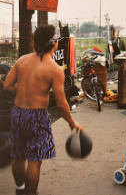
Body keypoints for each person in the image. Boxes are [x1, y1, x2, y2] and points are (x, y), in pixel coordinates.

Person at [3, 25, 83, 195]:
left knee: (18, 155)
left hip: (18, 113)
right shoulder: (54, 69)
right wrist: (72, 122)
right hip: (37, 117)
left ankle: (19, 189)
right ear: (54, 43)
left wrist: (25, 90)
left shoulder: (22, 60)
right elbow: (62, 104)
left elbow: (7, 85)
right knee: (34, 160)